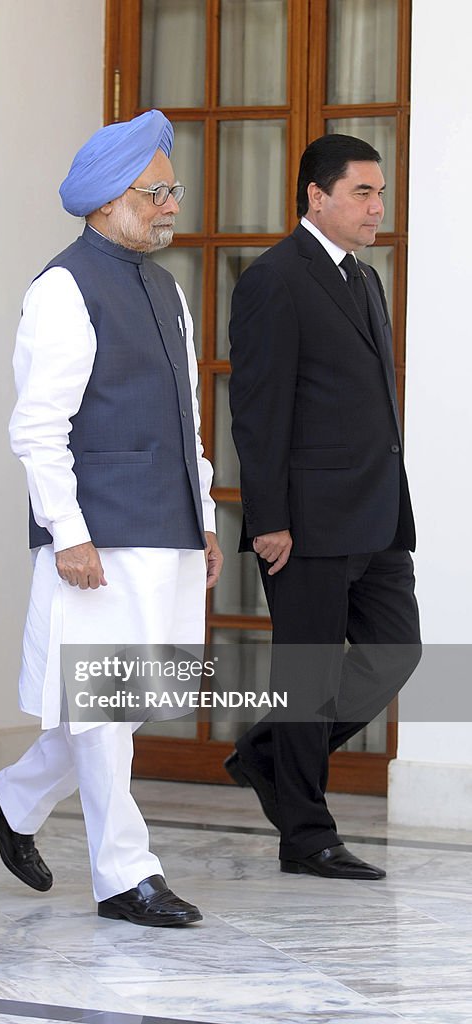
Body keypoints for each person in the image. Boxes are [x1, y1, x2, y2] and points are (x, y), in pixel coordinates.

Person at [0, 110, 223, 926]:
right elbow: (38, 427)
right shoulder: (63, 288)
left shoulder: (166, 286)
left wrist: (204, 514)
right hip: (102, 538)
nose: (171, 204)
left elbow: (188, 417)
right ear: (107, 202)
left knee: (127, 697)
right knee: (105, 709)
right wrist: (68, 533)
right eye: (157, 192)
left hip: (168, 530)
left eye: (172, 189)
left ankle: (7, 800)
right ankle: (126, 875)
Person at [225, 134, 421, 880]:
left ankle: (269, 754)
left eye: (380, 193)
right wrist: (267, 516)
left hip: (375, 513)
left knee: (398, 650)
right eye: (363, 193)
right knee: (305, 676)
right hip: (304, 520)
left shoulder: (364, 279)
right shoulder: (275, 279)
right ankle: (306, 836)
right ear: (317, 195)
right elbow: (258, 406)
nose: (377, 206)